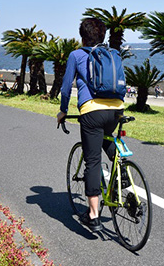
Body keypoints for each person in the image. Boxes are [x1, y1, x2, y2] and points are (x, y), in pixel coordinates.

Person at [57, 18, 125, 232]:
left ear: (82, 36)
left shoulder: (76, 55)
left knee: (92, 160)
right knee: (107, 138)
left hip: (91, 112)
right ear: (103, 36)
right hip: (116, 109)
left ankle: (93, 215)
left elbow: (66, 87)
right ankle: (122, 172)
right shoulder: (112, 54)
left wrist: (63, 111)